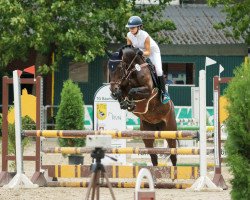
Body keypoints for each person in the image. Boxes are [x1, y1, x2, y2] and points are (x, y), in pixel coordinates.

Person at [126, 15, 170, 104]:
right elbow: (129, 49)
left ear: (139, 27)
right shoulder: (129, 35)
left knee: (158, 70)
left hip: (152, 52)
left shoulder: (145, 35)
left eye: (133, 27)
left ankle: (164, 93)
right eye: (130, 27)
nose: (131, 29)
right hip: (139, 52)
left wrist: (141, 53)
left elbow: (148, 52)